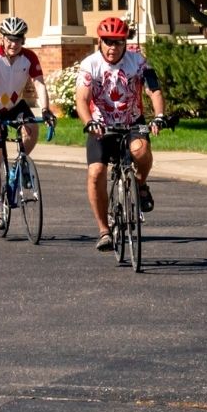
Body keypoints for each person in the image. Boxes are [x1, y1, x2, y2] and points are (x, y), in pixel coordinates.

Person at [75, 15, 165, 250]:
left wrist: (159, 116)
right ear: (100, 42)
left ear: (125, 42)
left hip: (132, 122)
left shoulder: (138, 62)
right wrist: (89, 122)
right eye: (107, 41)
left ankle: (140, 184)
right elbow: (82, 99)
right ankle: (104, 230)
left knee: (141, 151)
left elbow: (153, 89)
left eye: (117, 42)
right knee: (96, 173)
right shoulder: (90, 64)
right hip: (101, 126)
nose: (112, 47)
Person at [0, 15, 54, 228]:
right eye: (10, 39)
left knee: (32, 129)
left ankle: (20, 163)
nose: (13, 44)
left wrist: (46, 109)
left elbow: (39, 84)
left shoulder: (29, 57)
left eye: (18, 39)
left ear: (23, 40)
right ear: (2, 38)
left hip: (15, 104)